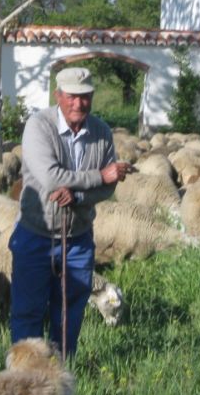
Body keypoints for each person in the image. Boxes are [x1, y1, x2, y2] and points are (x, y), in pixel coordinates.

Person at [9, 66, 133, 357]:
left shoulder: (101, 133)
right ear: (58, 95)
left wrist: (77, 195)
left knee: (69, 314)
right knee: (28, 312)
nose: (78, 103)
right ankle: (23, 378)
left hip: (77, 240)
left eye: (85, 96)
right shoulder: (39, 126)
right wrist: (100, 176)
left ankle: (61, 375)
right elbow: (52, 177)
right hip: (35, 235)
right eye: (71, 96)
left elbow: (110, 188)